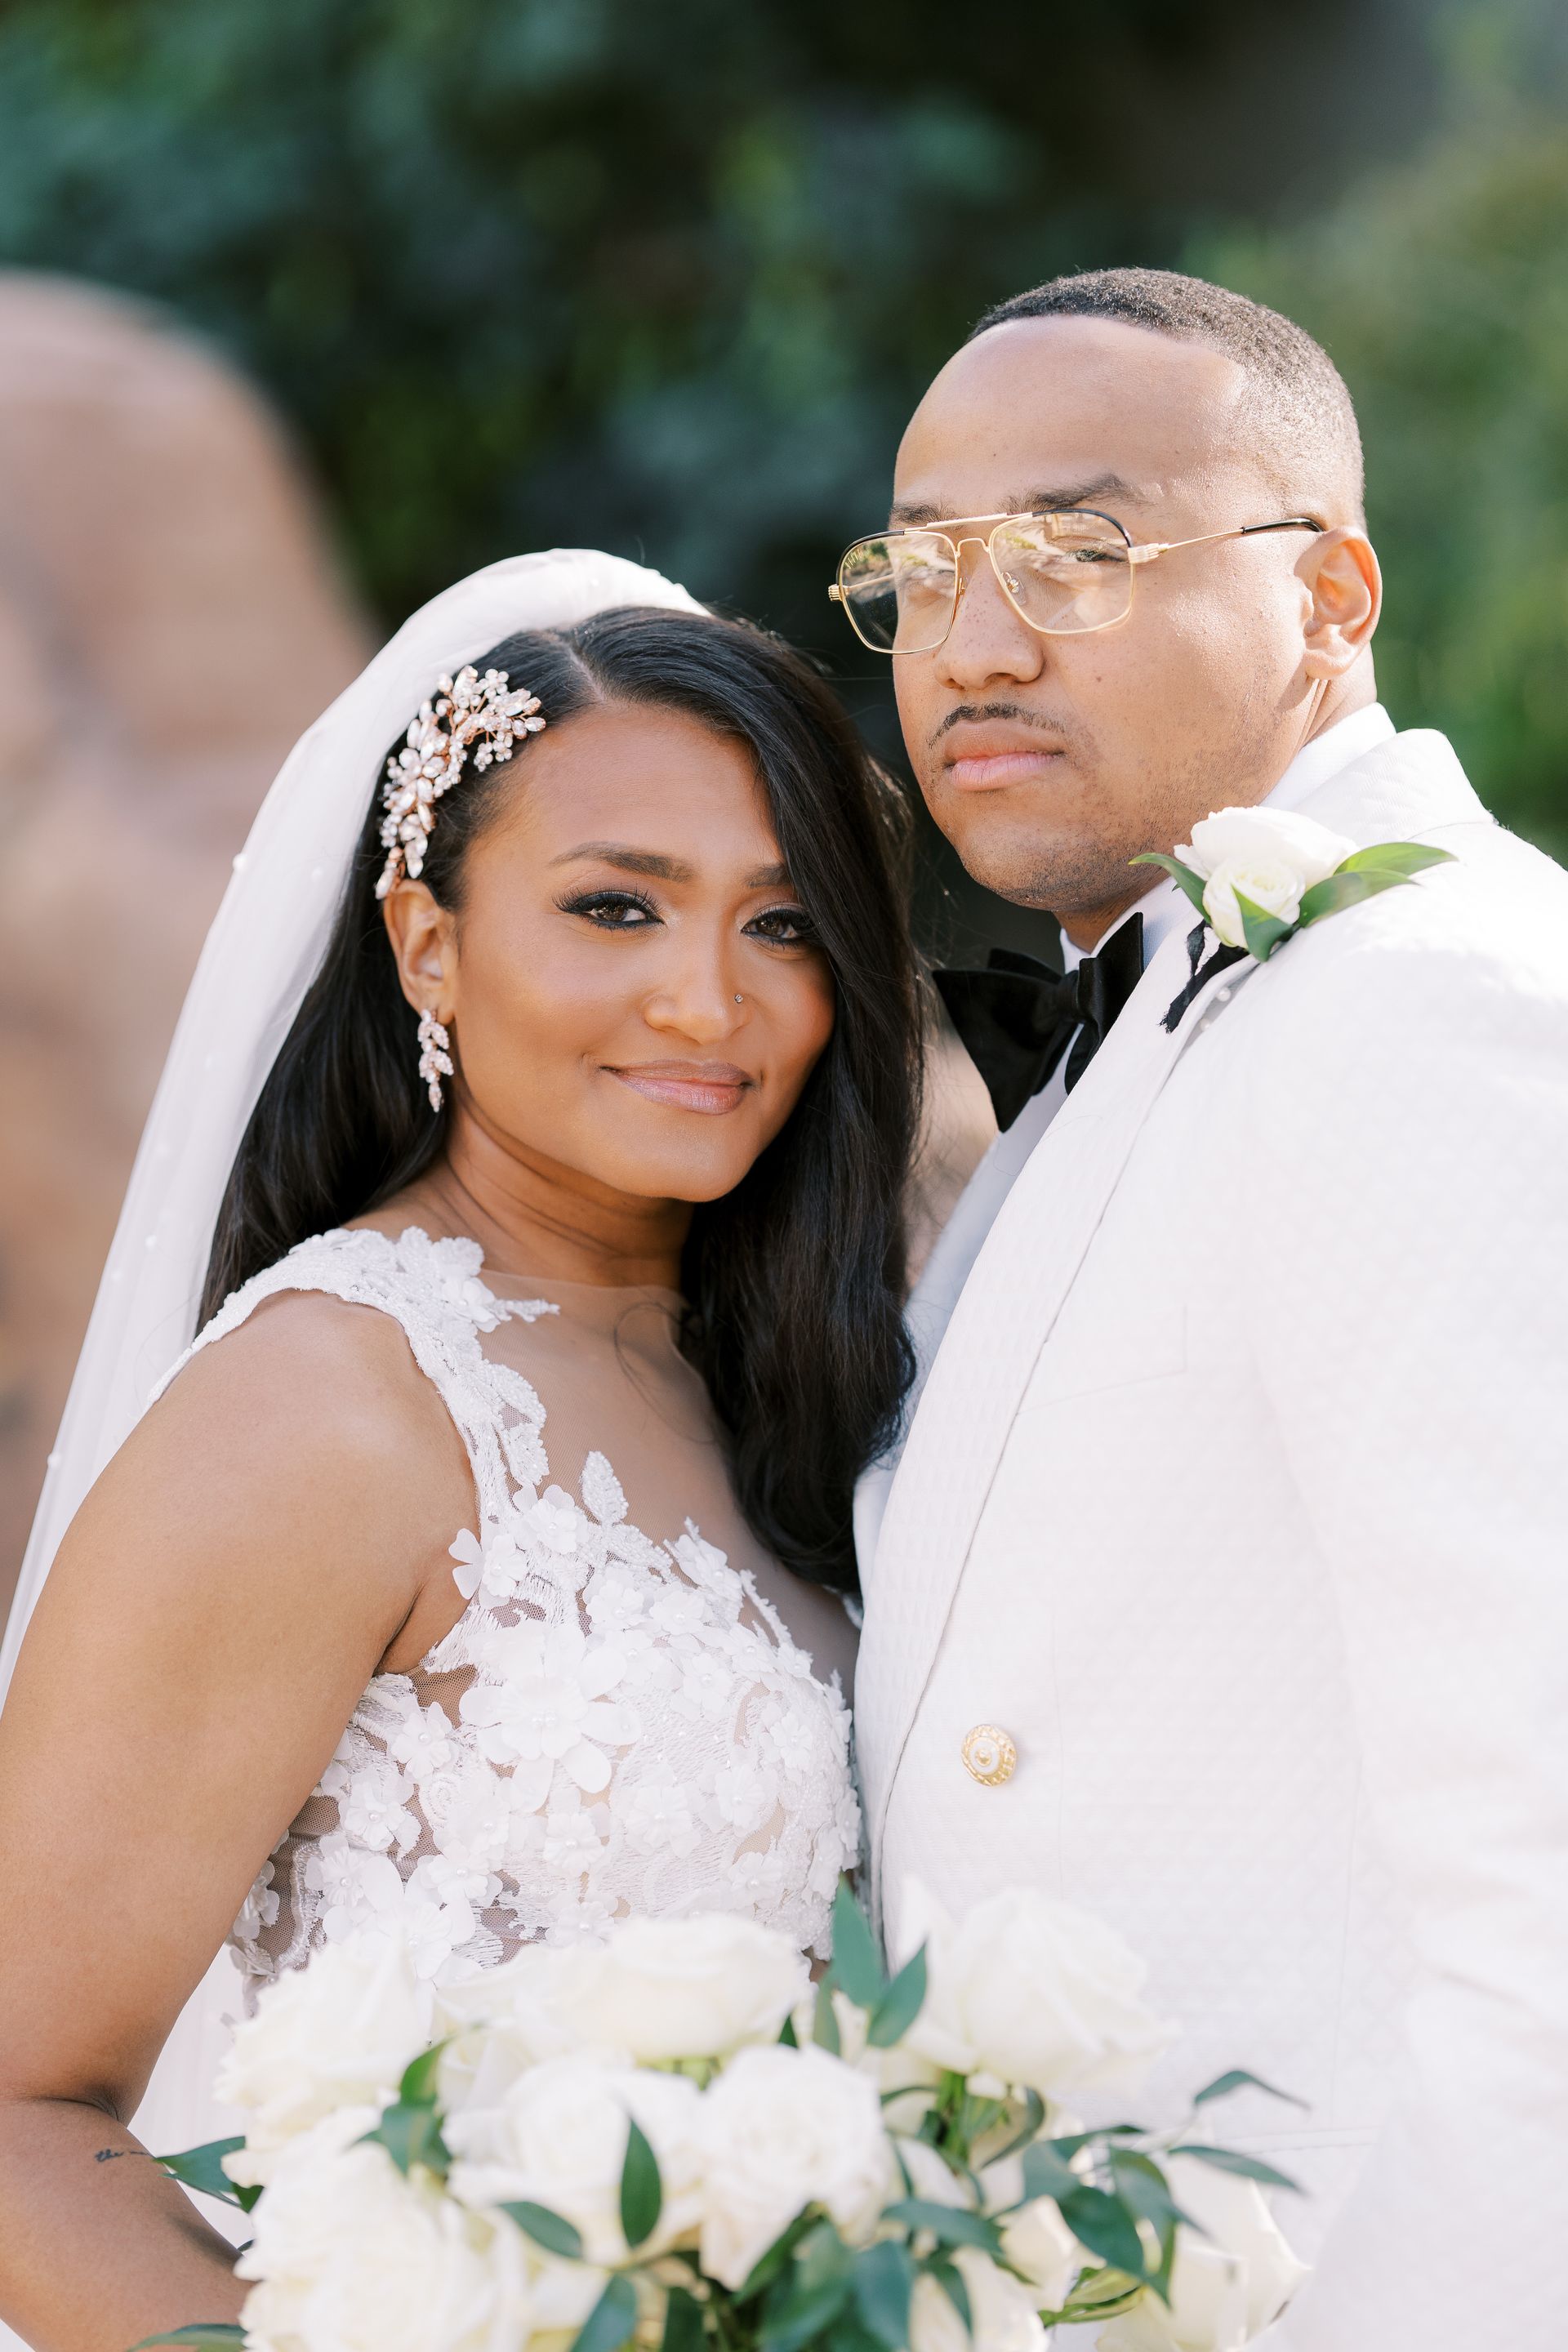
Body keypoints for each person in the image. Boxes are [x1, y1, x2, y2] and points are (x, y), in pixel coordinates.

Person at [0, 550, 921, 2352]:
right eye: (616, 909)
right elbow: (15, 2112)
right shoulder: (327, 1408)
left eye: (785, 923)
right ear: (428, 941)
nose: (710, 1003)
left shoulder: (811, 1378)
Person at [845, 270, 1568, 2349]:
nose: (976, 644)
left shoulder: (1432, 1004)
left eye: (1076, 555)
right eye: (922, 573)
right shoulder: (1148, 1019)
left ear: (1331, 594)